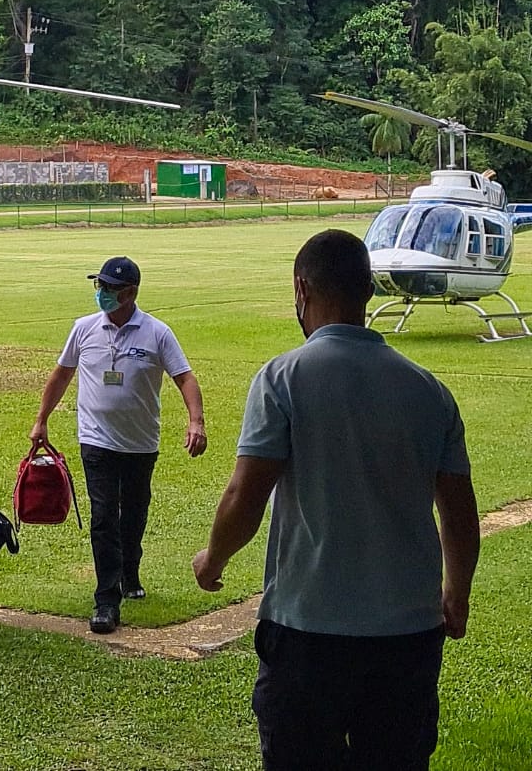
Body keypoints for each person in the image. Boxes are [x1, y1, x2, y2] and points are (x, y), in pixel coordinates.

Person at [193, 229, 478, 771]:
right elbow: (459, 513)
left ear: (301, 289)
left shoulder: (282, 379)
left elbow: (245, 494)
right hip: (408, 635)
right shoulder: (429, 390)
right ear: (368, 290)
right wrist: (455, 593)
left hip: (308, 633)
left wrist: (214, 560)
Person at [31, 255, 205, 634]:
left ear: (130, 293)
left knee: (135, 512)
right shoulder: (83, 329)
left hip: (141, 442)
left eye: (110, 288)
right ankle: (106, 600)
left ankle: (130, 570)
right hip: (96, 439)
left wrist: (196, 420)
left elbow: (185, 378)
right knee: (104, 514)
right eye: (100, 286)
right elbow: (62, 375)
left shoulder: (157, 332)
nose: (102, 294)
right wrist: (41, 420)